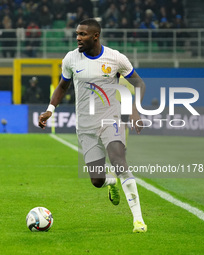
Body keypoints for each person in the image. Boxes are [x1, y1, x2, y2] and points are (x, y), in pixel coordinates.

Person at [38, 18, 147, 233]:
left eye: (82, 34)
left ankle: (138, 220)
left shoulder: (115, 58)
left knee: (118, 160)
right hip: (86, 126)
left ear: (95, 36)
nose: (78, 37)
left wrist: (134, 110)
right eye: (77, 34)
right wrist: (50, 110)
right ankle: (111, 183)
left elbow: (138, 83)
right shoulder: (71, 59)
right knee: (97, 180)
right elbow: (62, 86)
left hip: (110, 120)